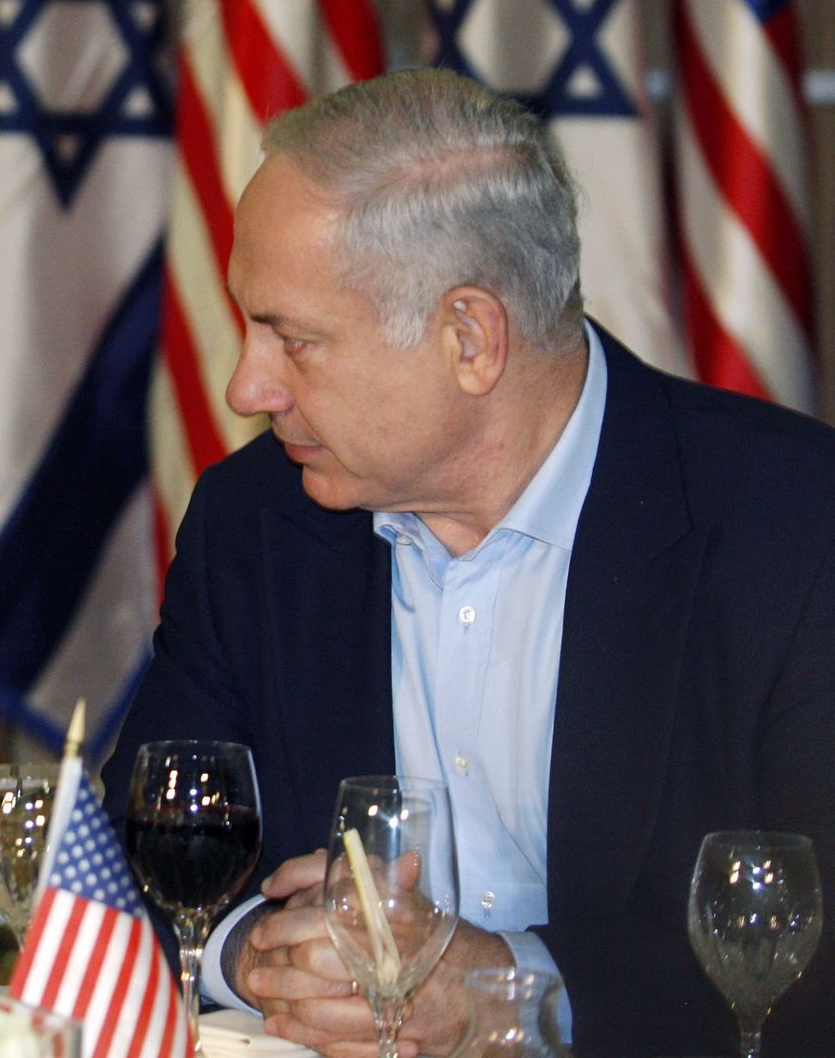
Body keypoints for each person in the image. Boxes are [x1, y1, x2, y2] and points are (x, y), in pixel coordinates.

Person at [104, 68, 835, 1056]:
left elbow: (812, 949)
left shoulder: (792, 528)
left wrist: (499, 987)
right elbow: (137, 850)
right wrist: (267, 956)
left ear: (469, 338)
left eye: (294, 339)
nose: (245, 386)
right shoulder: (254, 521)